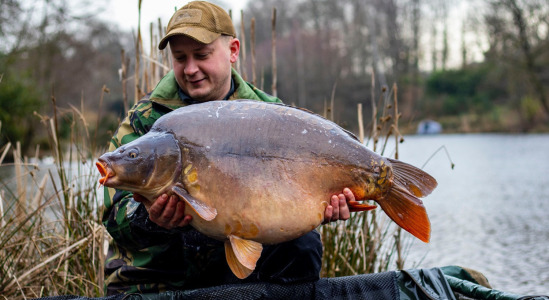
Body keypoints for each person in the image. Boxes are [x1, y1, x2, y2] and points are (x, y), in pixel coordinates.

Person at [102, 1, 355, 295]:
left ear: (233, 51)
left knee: (303, 244)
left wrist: (323, 203)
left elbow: (296, 198)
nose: (191, 68)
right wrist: (150, 218)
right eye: (180, 58)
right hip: (162, 278)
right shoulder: (145, 120)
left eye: (202, 55)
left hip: (239, 272)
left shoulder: (270, 114)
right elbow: (112, 218)